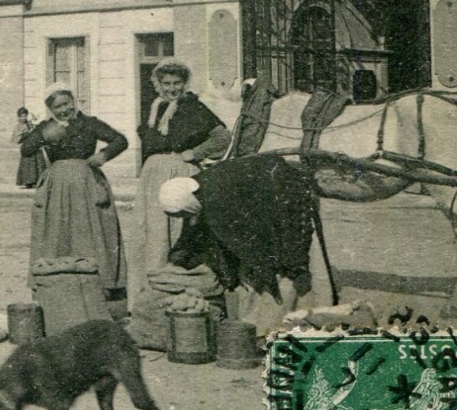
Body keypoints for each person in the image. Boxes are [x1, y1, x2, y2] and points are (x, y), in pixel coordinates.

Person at [160, 154, 329, 334]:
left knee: (282, 266)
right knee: (254, 271)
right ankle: (258, 325)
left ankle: (281, 327)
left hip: (284, 194)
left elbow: (248, 238)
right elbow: (195, 230)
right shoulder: (196, 192)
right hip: (264, 196)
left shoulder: (216, 198)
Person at [129, 60, 232, 307]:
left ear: (184, 84)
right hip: (152, 176)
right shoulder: (154, 108)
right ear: (158, 84)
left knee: (176, 230)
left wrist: (194, 154)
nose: (172, 89)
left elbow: (223, 137)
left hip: (180, 172)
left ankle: (175, 290)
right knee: (150, 230)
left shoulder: (193, 107)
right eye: (166, 83)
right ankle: (149, 292)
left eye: (177, 83)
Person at [20, 84, 129, 296]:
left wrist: (103, 155)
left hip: (86, 181)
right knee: (57, 232)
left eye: (66, 104)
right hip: (57, 185)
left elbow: (120, 140)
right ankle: (58, 283)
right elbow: (26, 149)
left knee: (90, 229)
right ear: (51, 108)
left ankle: (98, 282)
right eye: (57, 106)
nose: (64, 110)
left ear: (74, 101)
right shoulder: (46, 126)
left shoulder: (89, 124)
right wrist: (43, 134)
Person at [12, 106, 43, 188]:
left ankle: (35, 181)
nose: (24, 118)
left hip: (32, 146)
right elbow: (17, 138)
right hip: (26, 147)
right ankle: (27, 182)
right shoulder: (18, 126)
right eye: (22, 116)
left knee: (34, 163)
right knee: (26, 164)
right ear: (18, 117)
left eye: (25, 115)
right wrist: (26, 134)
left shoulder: (29, 124)